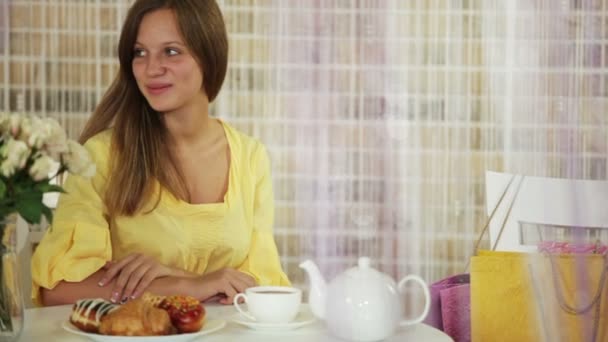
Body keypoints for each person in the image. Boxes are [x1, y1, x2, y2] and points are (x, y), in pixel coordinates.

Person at [31, 0, 290, 307]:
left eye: (171, 51)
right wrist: (185, 286)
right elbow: (58, 290)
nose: (152, 69)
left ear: (209, 55)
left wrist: (178, 278)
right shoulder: (101, 156)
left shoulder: (250, 158)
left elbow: (262, 292)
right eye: (140, 53)